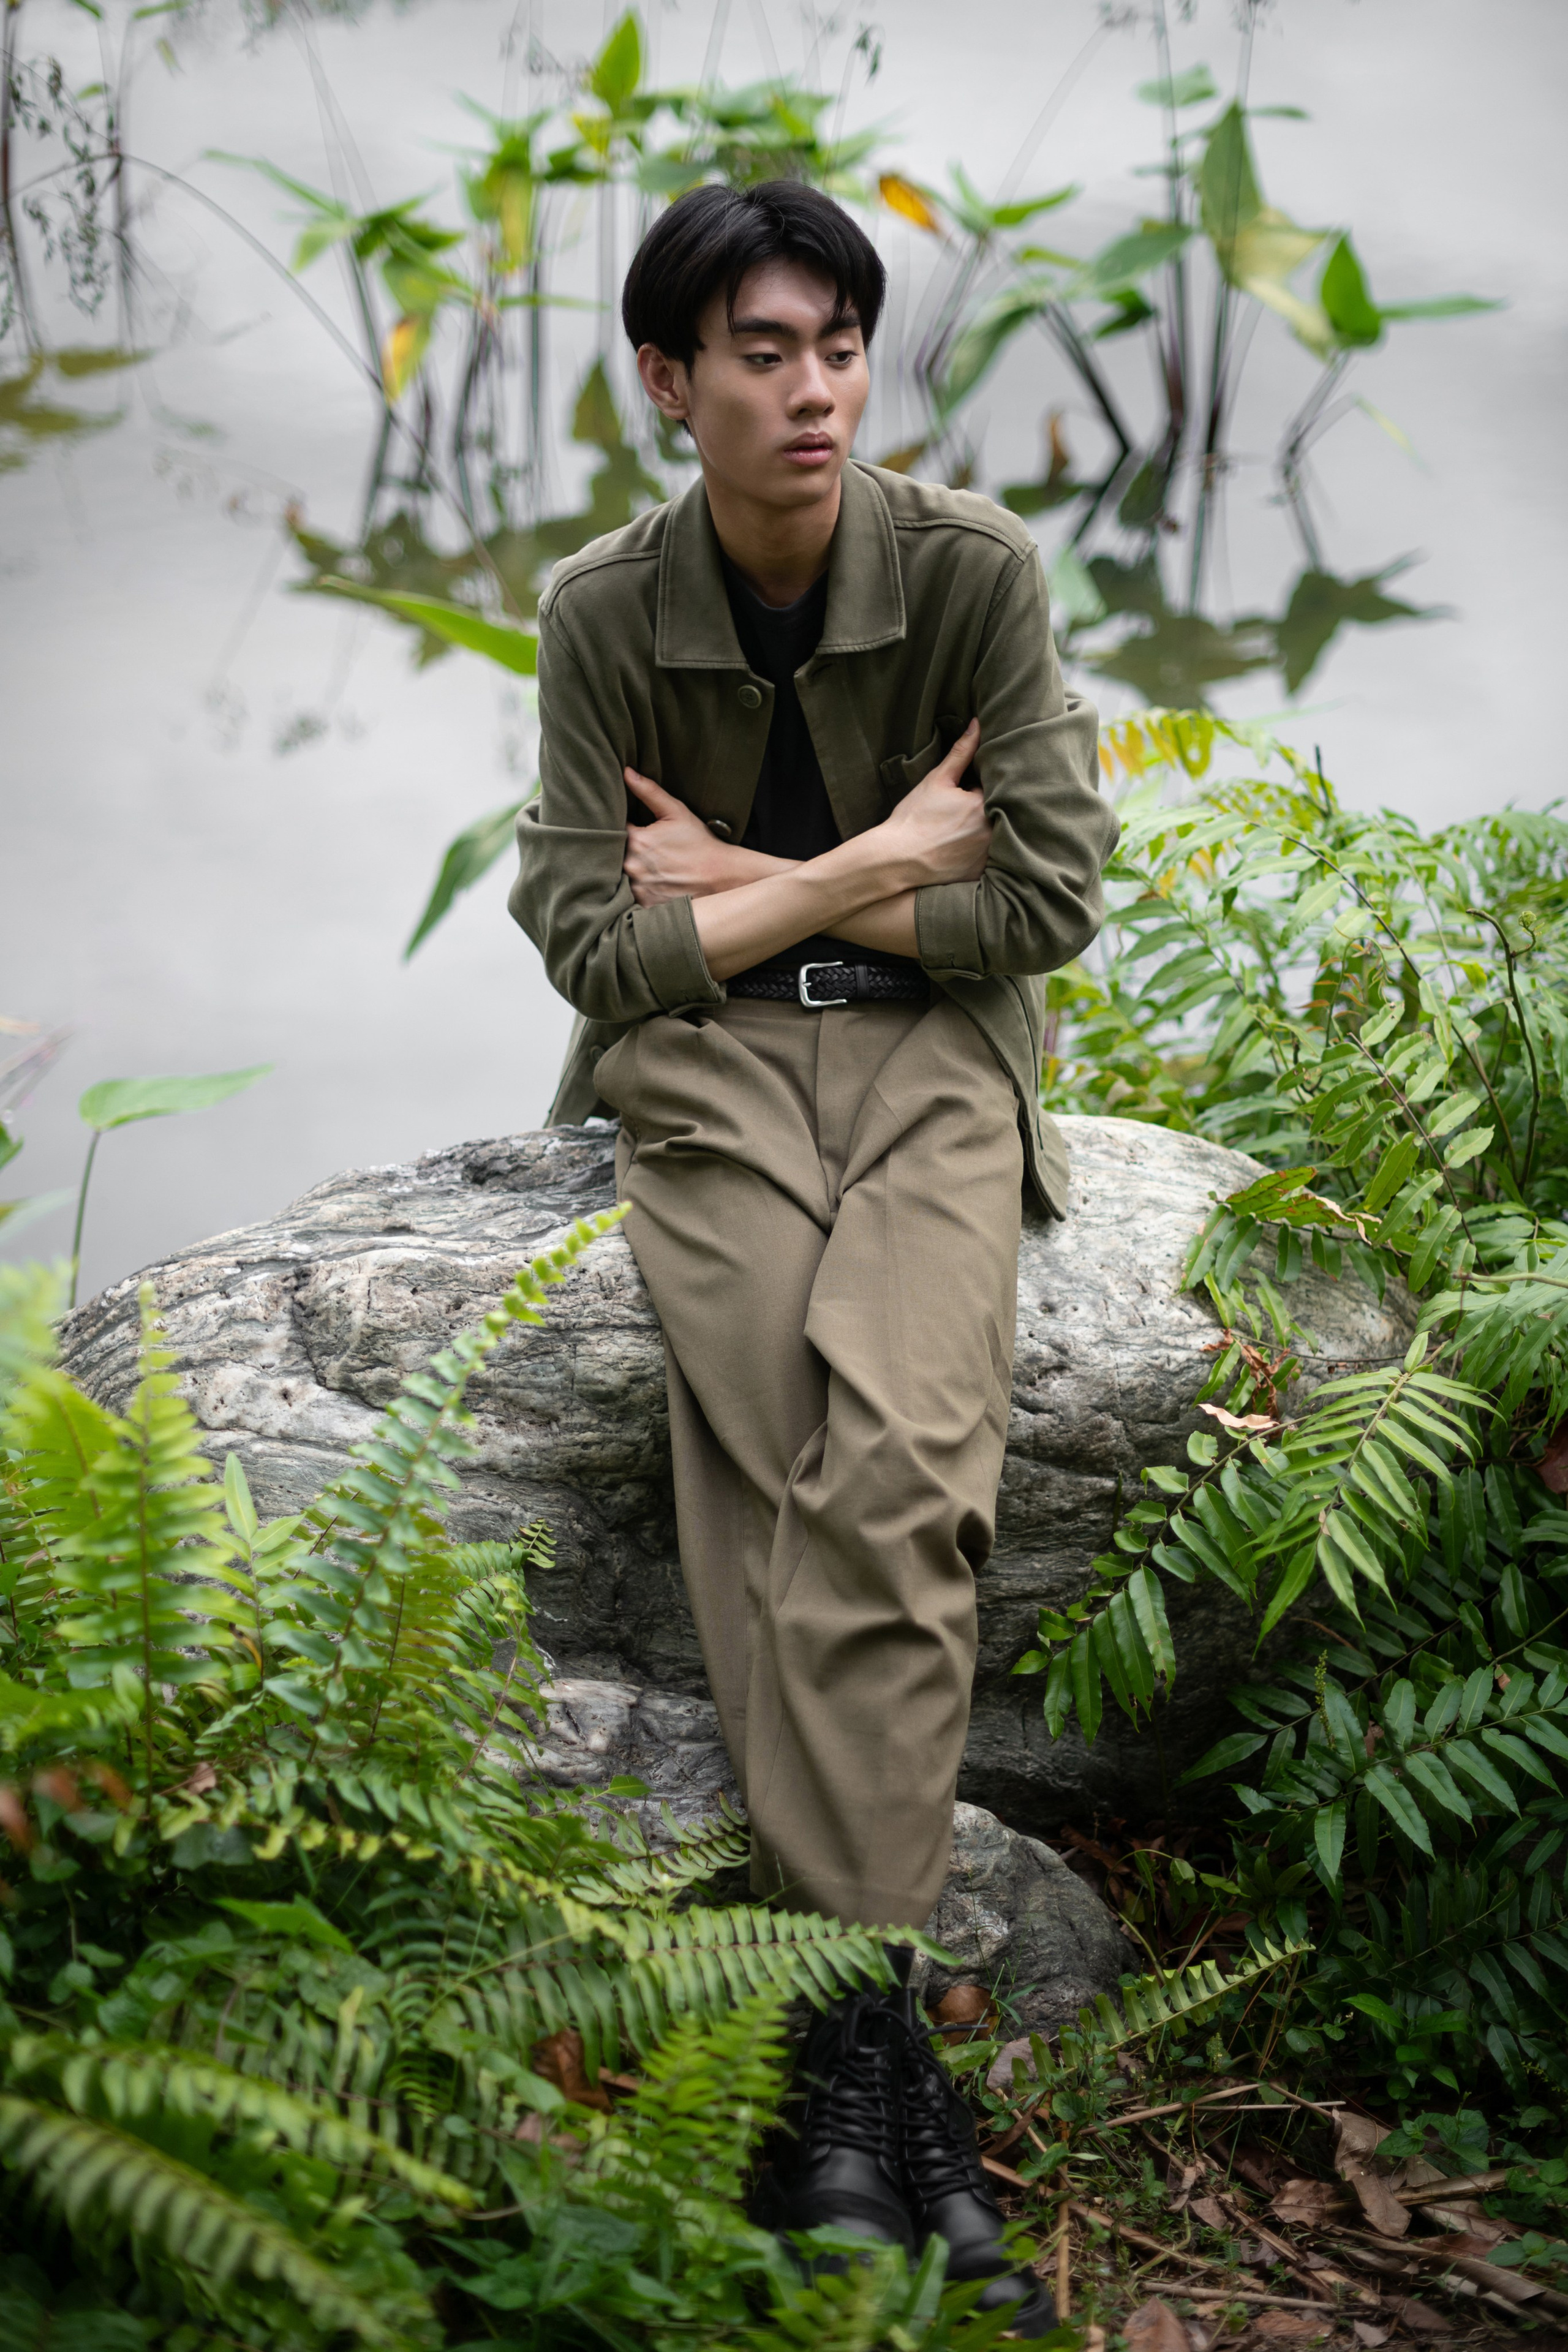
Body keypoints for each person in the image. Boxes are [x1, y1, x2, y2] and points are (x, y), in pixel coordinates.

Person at [509, 178, 1117, 2330]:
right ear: (669, 381)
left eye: (839, 346)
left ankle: (829, 2058)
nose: (812, 391)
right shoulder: (603, 612)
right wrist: (870, 856)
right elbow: (595, 937)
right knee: (770, 1459)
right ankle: (887, 2056)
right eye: (760, 353)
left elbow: (1041, 904)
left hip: (944, 1063)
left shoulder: (970, 576)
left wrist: (756, 884)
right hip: (704, 1075)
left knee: (909, 1469)